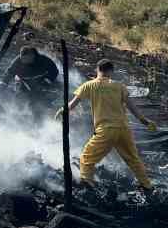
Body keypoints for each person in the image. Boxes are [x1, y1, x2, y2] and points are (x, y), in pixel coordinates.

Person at [59, 59, 158, 191]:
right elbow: (132, 107)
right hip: (123, 129)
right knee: (133, 159)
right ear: (111, 71)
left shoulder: (89, 85)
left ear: (97, 69)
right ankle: (147, 185)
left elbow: (71, 105)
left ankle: (87, 184)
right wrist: (145, 121)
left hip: (106, 130)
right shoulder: (119, 86)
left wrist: (61, 111)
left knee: (86, 158)